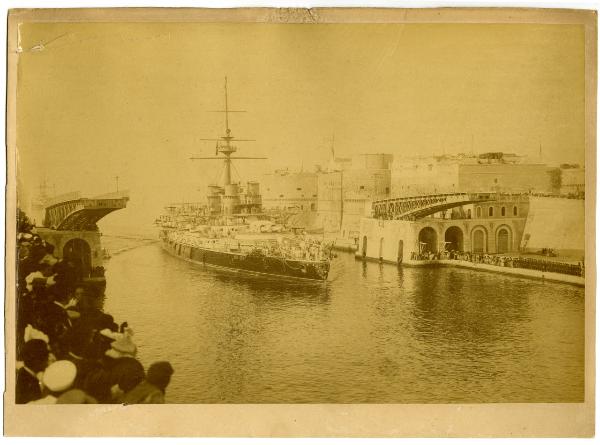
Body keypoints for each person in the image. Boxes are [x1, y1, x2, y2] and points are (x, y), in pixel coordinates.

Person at [16, 339, 49, 404]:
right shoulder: (29, 385)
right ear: (37, 361)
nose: (47, 362)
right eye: (45, 357)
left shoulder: (24, 374)